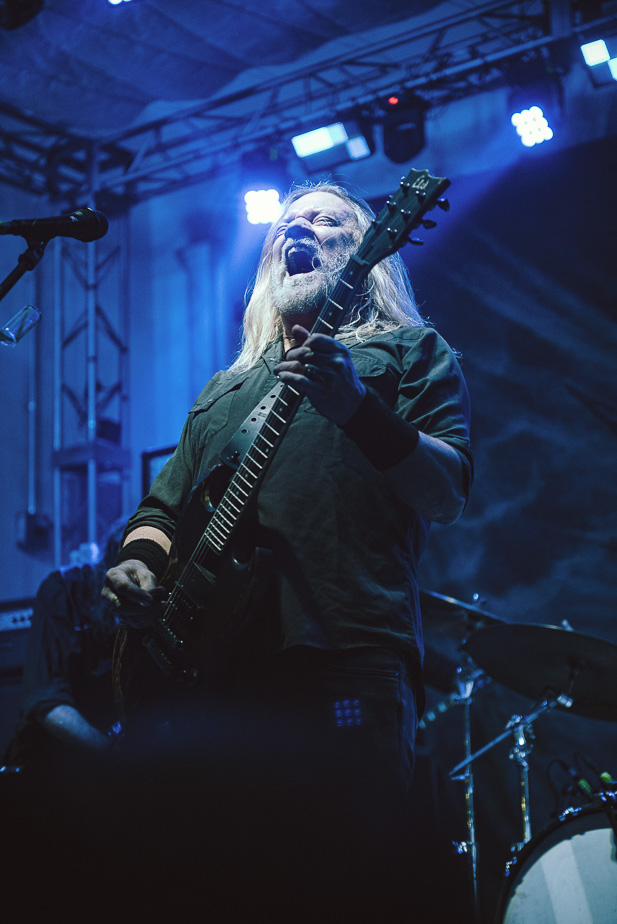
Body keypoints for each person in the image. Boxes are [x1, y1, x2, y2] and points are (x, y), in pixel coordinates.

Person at [102, 182, 473, 917]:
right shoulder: (225, 388)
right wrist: (138, 560)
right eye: (285, 224)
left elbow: (446, 493)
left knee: (345, 883)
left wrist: (357, 407)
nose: (296, 229)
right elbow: (160, 510)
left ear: (369, 249)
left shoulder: (411, 353)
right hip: (211, 676)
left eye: (323, 220)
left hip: (341, 650)